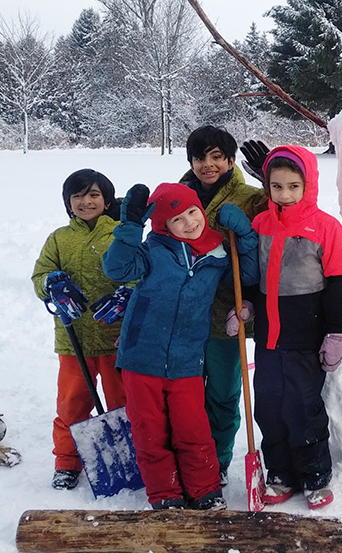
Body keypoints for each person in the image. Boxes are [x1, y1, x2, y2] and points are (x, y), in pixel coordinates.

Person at [102, 182, 258, 510]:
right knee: (149, 430)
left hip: (187, 359)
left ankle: (204, 490)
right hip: (141, 356)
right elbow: (115, 269)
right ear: (163, 226)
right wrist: (130, 227)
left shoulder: (218, 250)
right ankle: (164, 493)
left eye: (192, 212)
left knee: (194, 429)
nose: (189, 222)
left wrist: (244, 238)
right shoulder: (151, 249)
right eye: (177, 219)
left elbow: (247, 276)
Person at [243, 144, 342, 510]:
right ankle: (280, 472)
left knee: (302, 407)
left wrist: (336, 332)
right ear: (267, 186)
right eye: (277, 186)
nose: (285, 194)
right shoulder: (260, 225)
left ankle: (315, 475)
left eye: (294, 186)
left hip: (305, 335)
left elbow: (340, 283)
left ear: (309, 184)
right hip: (268, 338)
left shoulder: (326, 227)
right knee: (269, 407)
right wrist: (244, 304)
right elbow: (250, 274)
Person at [179, 125, 267, 484]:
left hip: (227, 315)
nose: (208, 164)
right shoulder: (178, 196)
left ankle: (219, 459)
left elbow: (288, 211)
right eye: (200, 157)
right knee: (185, 392)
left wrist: (268, 178)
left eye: (217, 157)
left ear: (231, 161)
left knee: (223, 392)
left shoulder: (249, 196)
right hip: (185, 313)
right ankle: (189, 456)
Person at [31, 169, 129, 491]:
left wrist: (126, 293)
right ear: (68, 202)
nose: (86, 202)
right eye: (78, 196)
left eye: (94, 195)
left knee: (123, 401)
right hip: (73, 338)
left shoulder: (120, 234)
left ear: (107, 199)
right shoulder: (59, 238)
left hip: (115, 337)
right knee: (72, 402)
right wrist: (52, 284)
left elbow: (139, 273)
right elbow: (40, 275)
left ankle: (129, 454)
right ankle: (67, 461)